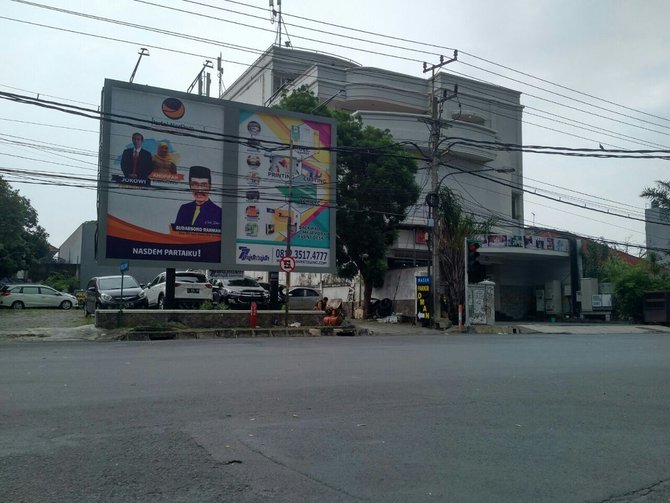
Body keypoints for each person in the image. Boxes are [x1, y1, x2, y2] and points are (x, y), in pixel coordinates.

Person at [173, 166, 222, 231]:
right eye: (195, 184)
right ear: (190, 186)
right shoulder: (184, 209)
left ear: (210, 187)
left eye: (204, 185)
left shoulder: (219, 212)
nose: (199, 190)